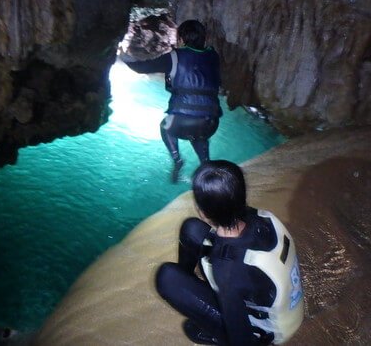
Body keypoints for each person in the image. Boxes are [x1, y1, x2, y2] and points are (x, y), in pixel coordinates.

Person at [155, 161, 304, 345]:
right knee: (191, 229)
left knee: (167, 277)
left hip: (267, 333)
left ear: (204, 212)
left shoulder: (226, 269)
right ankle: (192, 286)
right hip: (283, 306)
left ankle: (214, 329)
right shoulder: (260, 217)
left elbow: (240, 339)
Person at [121, 19, 222, 182]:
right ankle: (205, 164)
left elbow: (142, 67)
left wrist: (123, 55)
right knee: (198, 133)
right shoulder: (213, 56)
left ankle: (177, 159)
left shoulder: (175, 56)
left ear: (181, 39)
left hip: (182, 122)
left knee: (166, 126)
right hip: (211, 124)